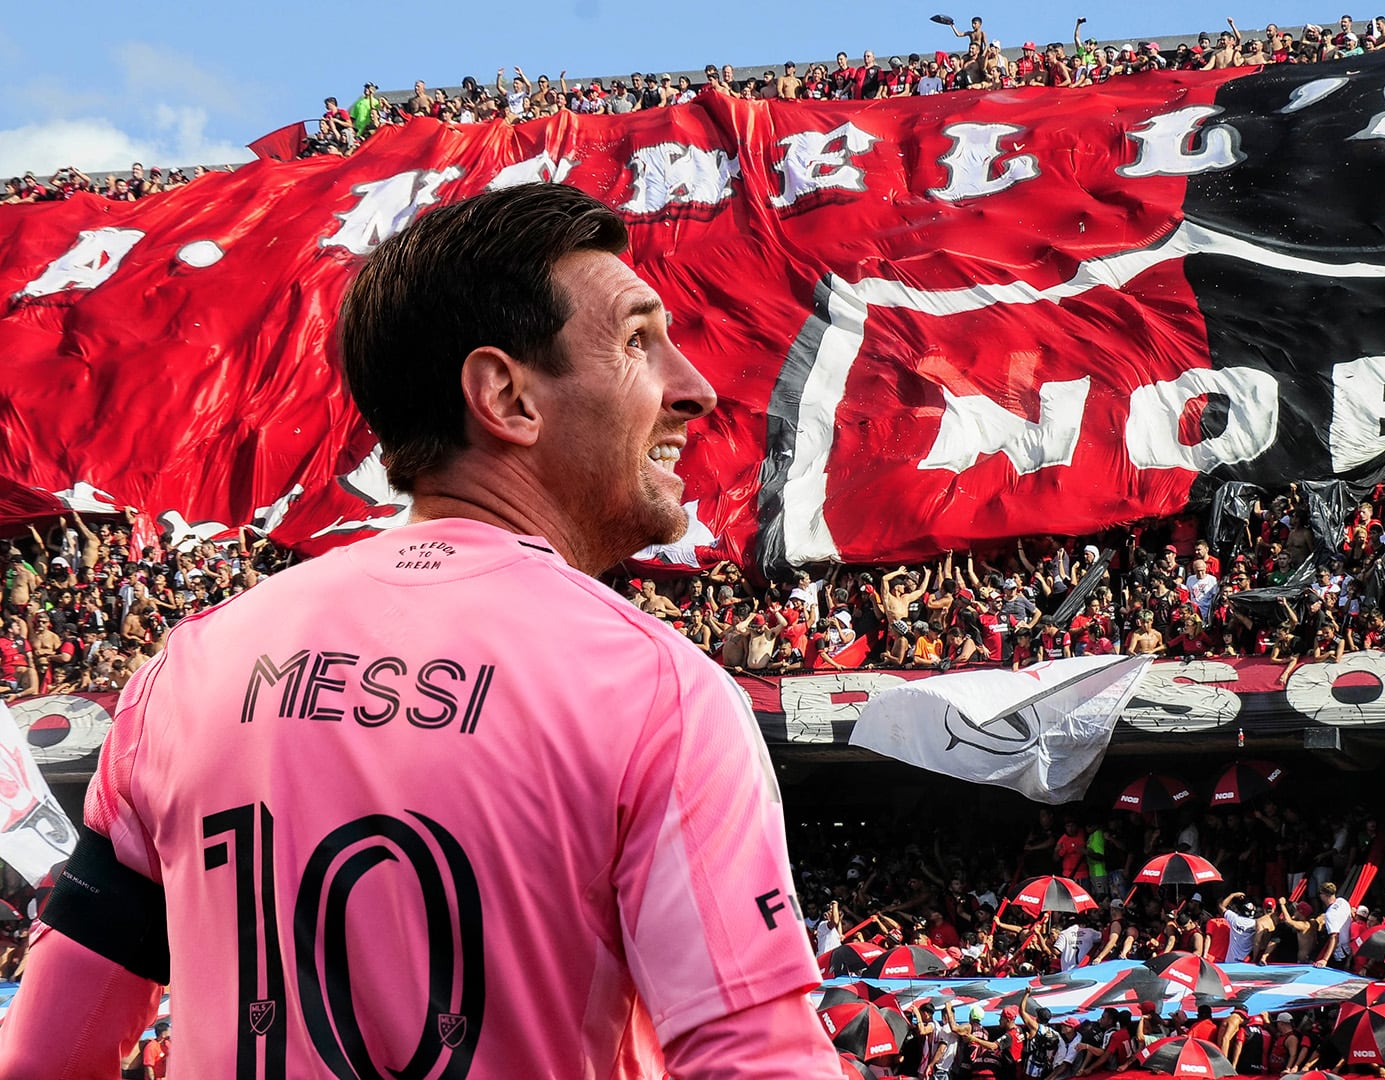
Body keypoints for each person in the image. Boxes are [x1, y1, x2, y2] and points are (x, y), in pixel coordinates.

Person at [0, 186, 839, 1078]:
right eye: (638, 341)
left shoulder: (190, 668)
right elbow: (759, 1062)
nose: (695, 389)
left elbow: (51, 1052)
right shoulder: (652, 689)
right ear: (506, 397)